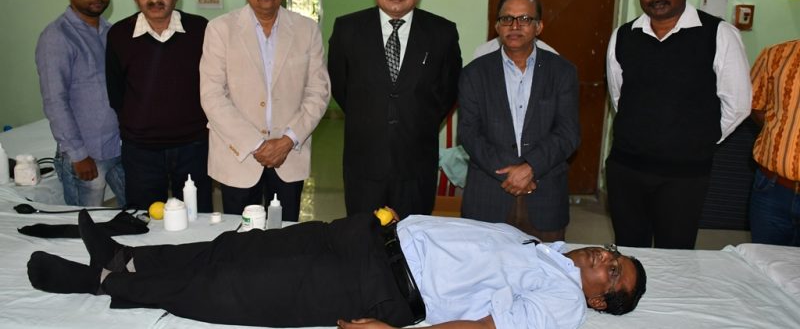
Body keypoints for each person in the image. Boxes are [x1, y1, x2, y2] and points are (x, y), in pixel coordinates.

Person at [27, 209, 646, 329]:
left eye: (613, 276)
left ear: (599, 302)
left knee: (236, 290)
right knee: (239, 249)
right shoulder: (543, 247)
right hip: (366, 238)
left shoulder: (562, 303)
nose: (606, 261)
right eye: (616, 257)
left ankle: (102, 281)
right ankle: (126, 255)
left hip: (376, 285)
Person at [605, 0, 751, 249]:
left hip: (685, 175)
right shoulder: (623, 36)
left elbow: (738, 105)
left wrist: (698, 140)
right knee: (628, 250)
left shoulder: (719, 34)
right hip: (626, 169)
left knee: (676, 254)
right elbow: (620, 96)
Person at [328, 0, 462, 219]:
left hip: (416, 165)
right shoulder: (347, 30)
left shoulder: (442, 33)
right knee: (362, 237)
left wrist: (416, 119)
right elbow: (341, 86)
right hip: (364, 163)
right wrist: (372, 116)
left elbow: (448, 91)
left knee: (412, 238)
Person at [200, 0, 330, 220]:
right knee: (239, 234)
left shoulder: (307, 30)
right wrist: (257, 144)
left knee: (284, 235)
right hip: (238, 156)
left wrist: (287, 140)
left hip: (289, 156)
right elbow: (212, 96)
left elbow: (318, 92)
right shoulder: (220, 29)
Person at [458, 0, 580, 242]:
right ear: (497, 26)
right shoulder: (473, 73)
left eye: (524, 19)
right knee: (484, 266)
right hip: (488, 196)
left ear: (538, 26)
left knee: (545, 265)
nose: (514, 26)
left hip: (545, 195)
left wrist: (531, 167)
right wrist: (511, 173)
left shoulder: (563, 72)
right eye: (507, 19)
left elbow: (568, 133)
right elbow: (469, 133)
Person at [106, 0, 212, 212]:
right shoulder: (119, 35)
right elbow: (116, 93)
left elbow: (215, 84)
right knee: (145, 219)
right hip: (141, 151)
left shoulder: (200, 30)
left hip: (193, 147)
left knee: (197, 216)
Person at [34, 0, 126, 207]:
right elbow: (55, 101)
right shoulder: (57, 37)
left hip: (118, 147)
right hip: (86, 154)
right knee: (85, 223)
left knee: (136, 213)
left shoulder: (110, 32)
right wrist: (77, 154)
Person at [749, 40, 800, 246]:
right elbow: (755, 104)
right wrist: (781, 132)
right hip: (772, 190)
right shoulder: (776, 54)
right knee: (763, 262)